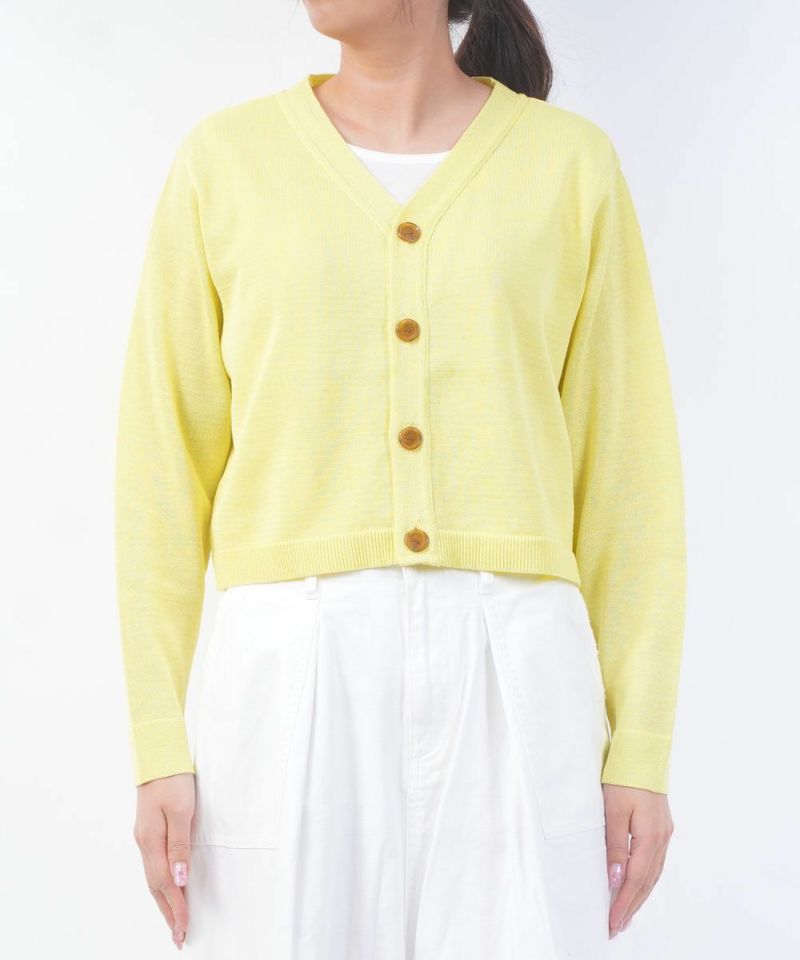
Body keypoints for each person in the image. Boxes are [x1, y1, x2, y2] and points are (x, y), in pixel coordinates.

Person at [114, 1, 687, 956]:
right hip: (288, 665)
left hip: (515, 659)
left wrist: (642, 747)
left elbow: (631, 478)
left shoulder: (570, 167)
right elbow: (159, 471)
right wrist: (157, 741)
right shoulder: (225, 162)